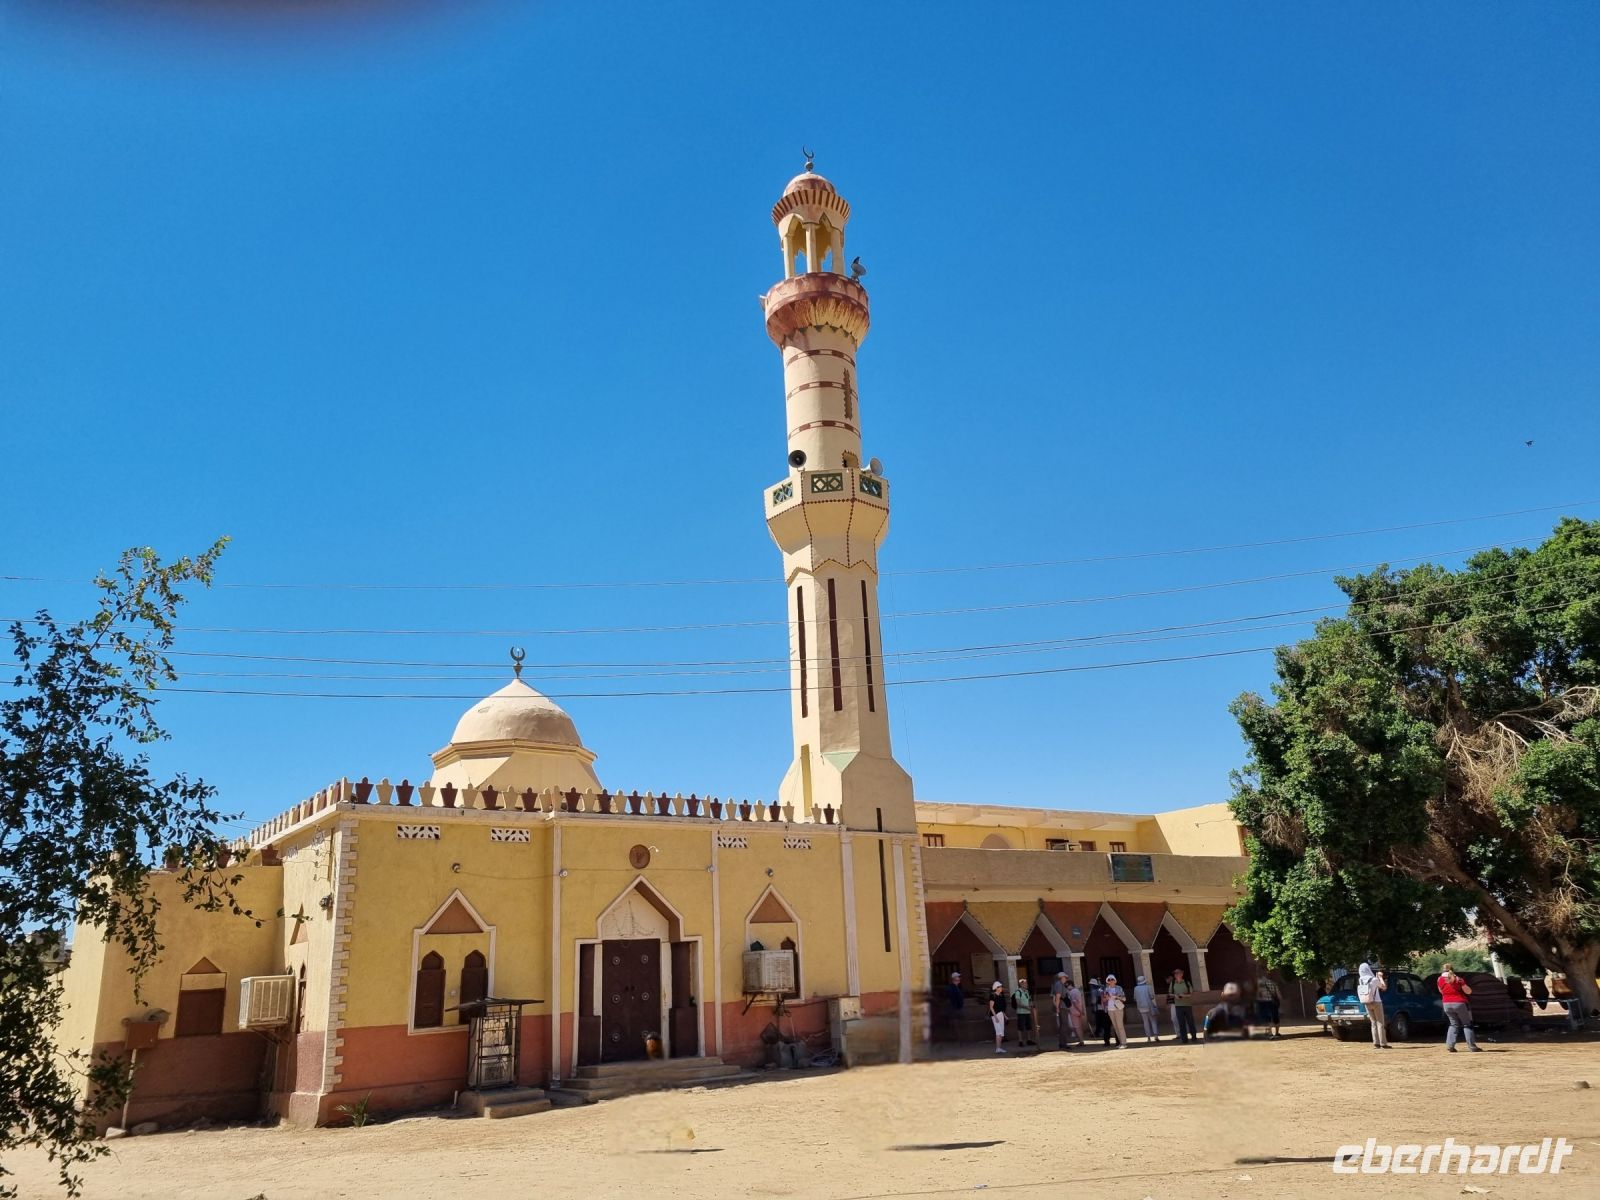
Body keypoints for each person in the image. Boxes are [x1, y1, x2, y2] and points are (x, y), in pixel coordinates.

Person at [1437, 963, 1482, 1053]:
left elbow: (1441, 992)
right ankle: (1472, 1046)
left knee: (1453, 1024)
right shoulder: (1458, 979)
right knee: (1467, 1024)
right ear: (1453, 970)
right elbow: (1468, 992)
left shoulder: (1439, 980)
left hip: (1446, 1004)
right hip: (1459, 1003)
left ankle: (1450, 1045)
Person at [1357, 962, 1390, 1049]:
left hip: (1367, 1002)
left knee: (1373, 1023)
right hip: (1376, 1002)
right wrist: (1380, 977)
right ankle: (1383, 1043)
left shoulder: (1360, 980)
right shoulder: (1374, 979)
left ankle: (1376, 1042)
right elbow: (1383, 987)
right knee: (1380, 1023)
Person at [1169, 967, 1197, 1043]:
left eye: (1178, 973)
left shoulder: (1187, 982)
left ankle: (1194, 1037)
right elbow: (1170, 993)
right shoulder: (1173, 983)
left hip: (1187, 1005)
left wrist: (1183, 995)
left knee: (1190, 1022)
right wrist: (1175, 996)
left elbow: (1191, 993)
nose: (1176, 975)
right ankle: (1184, 1039)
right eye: (1175, 973)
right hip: (1178, 1006)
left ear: (1182, 974)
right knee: (1181, 1023)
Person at [1102, 973, 1129, 1048]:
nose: (1111, 981)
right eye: (1109, 979)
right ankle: (1121, 1042)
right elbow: (1104, 1000)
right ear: (1107, 981)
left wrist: (1116, 997)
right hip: (1110, 1009)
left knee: (1120, 1026)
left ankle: (1124, 1043)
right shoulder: (1106, 989)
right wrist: (1106, 998)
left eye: (1112, 979)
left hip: (1118, 1008)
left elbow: (1124, 998)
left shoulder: (1119, 988)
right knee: (1115, 1026)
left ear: (1115, 980)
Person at [1133, 975, 1160, 1042]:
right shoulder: (1149, 987)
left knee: (1145, 1022)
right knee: (1153, 1021)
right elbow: (1152, 997)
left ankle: (1148, 1037)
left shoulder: (1136, 988)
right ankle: (1156, 1035)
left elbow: (1135, 998)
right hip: (1149, 1006)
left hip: (1141, 1007)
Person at [1255, 972, 1282, 1039]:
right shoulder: (1273, 983)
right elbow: (1278, 994)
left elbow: (1258, 993)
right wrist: (1279, 1001)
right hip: (1273, 1002)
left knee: (1267, 1018)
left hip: (1264, 1002)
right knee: (1275, 1017)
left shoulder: (1260, 983)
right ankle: (1277, 1033)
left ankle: (1270, 1033)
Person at [1011, 976, 1036, 1048]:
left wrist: (1032, 1005)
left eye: (1026, 983)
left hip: (1027, 1012)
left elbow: (1029, 1000)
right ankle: (1020, 1041)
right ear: (1021, 984)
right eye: (1025, 984)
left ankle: (1029, 1040)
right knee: (1020, 1027)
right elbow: (1018, 1003)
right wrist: (1026, 1007)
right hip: (1021, 1012)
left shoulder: (1027, 992)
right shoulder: (1018, 992)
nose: (1026, 985)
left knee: (1029, 1026)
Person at [988, 980, 1008, 1054]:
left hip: (1000, 1015)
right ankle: (997, 1048)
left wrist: (1005, 1016)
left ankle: (999, 1048)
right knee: (998, 1032)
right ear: (996, 988)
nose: (1001, 988)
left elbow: (1001, 1008)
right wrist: (995, 1017)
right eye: (1000, 987)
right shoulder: (992, 995)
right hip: (995, 1015)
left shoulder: (1001, 996)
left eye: (1001, 986)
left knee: (1001, 1032)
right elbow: (991, 1007)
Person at [945, 970, 966, 1042]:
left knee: (957, 1025)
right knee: (956, 1025)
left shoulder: (956, 988)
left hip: (956, 1009)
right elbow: (952, 999)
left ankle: (959, 1039)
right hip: (954, 1009)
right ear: (954, 978)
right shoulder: (951, 988)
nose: (959, 978)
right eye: (958, 977)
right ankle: (958, 1040)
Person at [1066, 977, 1086, 1045]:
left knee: (1077, 1027)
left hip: (1074, 1011)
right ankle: (1081, 1040)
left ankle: (1081, 1041)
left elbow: (1074, 1003)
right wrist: (1081, 1010)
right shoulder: (1077, 991)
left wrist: (1080, 1011)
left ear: (1070, 984)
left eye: (1067, 985)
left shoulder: (1071, 992)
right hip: (1079, 1010)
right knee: (1080, 1026)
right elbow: (1081, 1002)